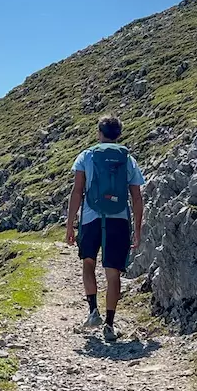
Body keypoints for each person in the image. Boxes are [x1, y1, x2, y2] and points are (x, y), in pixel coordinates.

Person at [65, 115, 145, 342]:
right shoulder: (128, 159)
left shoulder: (87, 156)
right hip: (118, 220)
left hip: (91, 218)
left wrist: (70, 224)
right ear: (119, 135)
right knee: (113, 274)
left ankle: (93, 312)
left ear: (99, 133)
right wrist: (137, 231)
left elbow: (77, 191)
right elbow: (137, 198)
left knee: (88, 263)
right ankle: (109, 325)